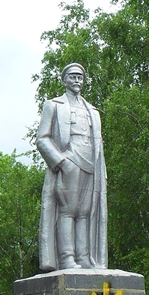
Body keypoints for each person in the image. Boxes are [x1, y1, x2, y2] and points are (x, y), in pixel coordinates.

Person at [36, 63, 108, 271]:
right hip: (69, 160)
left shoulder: (92, 110)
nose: (77, 81)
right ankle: (67, 258)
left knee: (85, 212)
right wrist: (60, 161)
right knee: (68, 210)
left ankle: (84, 258)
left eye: (80, 78)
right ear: (64, 79)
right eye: (73, 77)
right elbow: (42, 139)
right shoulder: (54, 105)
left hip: (90, 164)